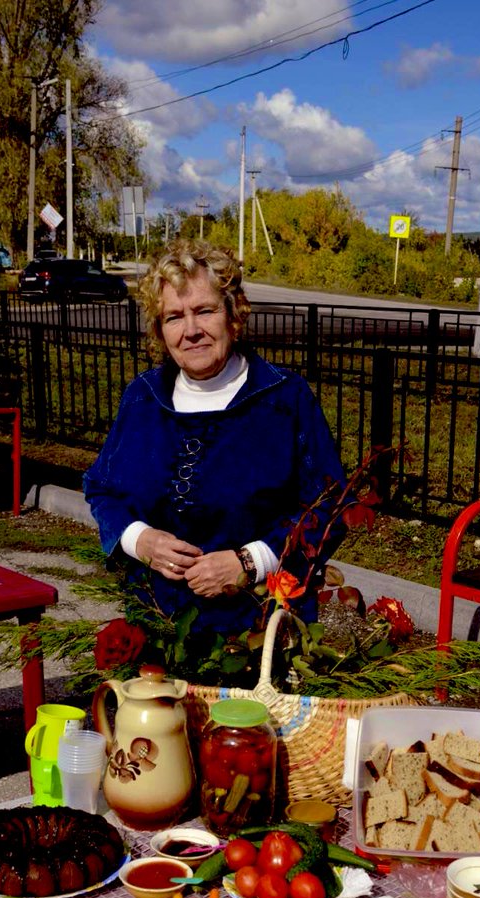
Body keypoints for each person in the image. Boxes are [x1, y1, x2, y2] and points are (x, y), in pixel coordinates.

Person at [83, 238, 347, 636]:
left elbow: (330, 505)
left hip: (259, 627)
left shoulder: (282, 398)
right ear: (160, 330)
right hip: (158, 623)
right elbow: (102, 488)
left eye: (204, 311)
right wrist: (141, 540)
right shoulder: (143, 397)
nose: (191, 331)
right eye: (174, 317)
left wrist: (250, 561)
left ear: (233, 316)